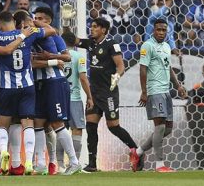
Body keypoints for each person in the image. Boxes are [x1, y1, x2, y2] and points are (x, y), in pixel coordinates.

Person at [0, 10, 56, 175]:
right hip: (27, 86)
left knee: (3, 124)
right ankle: (29, 162)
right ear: (15, 22)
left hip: (7, 87)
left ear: (0, 23)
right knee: (28, 123)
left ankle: (3, 151)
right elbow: (52, 31)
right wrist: (32, 25)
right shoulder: (29, 33)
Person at [78, 18, 140, 172]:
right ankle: (92, 164)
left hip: (109, 93)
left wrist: (117, 77)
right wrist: (66, 23)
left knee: (113, 126)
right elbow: (71, 39)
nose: (91, 29)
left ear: (103, 30)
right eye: (91, 26)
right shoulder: (91, 43)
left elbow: (121, 66)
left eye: (95, 27)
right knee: (91, 126)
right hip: (94, 93)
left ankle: (136, 151)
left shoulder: (112, 44)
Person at [32, 7, 82, 175]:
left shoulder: (55, 37)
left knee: (57, 123)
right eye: (35, 17)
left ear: (48, 22)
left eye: (40, 18)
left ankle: (74, 162)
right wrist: (51, 60)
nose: (36, 20)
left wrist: (50, 57)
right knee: (37, 123)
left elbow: (67, 57)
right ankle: (40, 164)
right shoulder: (30, 37)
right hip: (39, 83)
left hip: (54, 82)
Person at [135, 19, 187, 172]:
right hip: (154, 90)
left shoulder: (166, 46)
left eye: (164, 30)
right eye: (158, 30)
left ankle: (137, 152)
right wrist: (144, 92)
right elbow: (142, 69)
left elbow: (168, 67)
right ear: (153, 30)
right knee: (160, 127)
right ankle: (159, 165)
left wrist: (178, 85)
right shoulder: (147, 46)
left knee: (168, 129)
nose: (161, 33)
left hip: (166, 91)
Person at [59, 31, 93, 170]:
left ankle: (59, 164)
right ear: (74, 43)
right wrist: (90, 97)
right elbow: (83, 78)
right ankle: (75, 163)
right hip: (74, 97)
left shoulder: (58, 55)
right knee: (77, 129)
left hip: (59, 96)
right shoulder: (79, 56)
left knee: (60, 129)